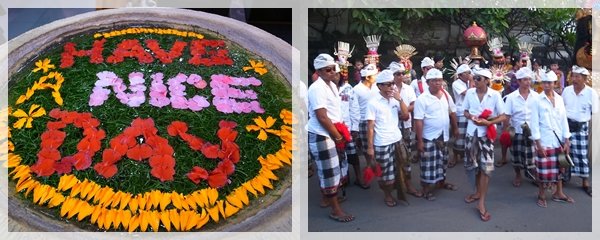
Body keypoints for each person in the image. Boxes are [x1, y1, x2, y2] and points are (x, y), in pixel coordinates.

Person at [307, 53, 354, 222]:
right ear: (318, 72)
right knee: (330, 172)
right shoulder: (317, 88)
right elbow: (322, 117)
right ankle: (335, 210)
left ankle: (328, 198)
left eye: (334, 68)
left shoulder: (332, 85)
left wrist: (339, 133)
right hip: (322, 134)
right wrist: (337, 137)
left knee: (336, 168)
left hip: (332, 132)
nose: (333, 72)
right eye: (328, 69)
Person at [462, 69, 506, 222]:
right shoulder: (470, 93)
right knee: (473, 166)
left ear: (487, 80)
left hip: (487, 134)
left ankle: (481, 203)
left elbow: (504, 115)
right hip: (471, 133)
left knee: (486, 168)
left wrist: (489, 122)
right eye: (474, 78)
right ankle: (477, 192)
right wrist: (471, 117)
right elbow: (465, 111)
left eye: (479, 78)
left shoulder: (495, 95)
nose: (475, 80)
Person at [529, 70, 574, 208]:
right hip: (544, 140)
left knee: (560, 167)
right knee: (543, 170)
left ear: (555, 83)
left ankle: (558, 193)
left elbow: (563, 120)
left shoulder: (559, 99)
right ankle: (541, 195)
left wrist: (567, 140)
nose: (547, 85)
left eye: (549, 83)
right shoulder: (537, 100)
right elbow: (534, 123)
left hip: (558, 139)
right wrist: (538, 144)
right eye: (544, 82)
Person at [365, 69, 409, 207]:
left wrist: (400, 99)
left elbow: (406, 114)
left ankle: (405, 190)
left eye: (392, 84)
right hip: (382, 142)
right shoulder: (373, 102)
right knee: (386, 173)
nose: (392, 87)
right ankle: (388, 195)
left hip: (397, 138)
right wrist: (370, 147)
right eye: (388, 84)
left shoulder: (395, 99)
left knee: (404, 167)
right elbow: (370, 127)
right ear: (380, 86)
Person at [414, 68, 459, 201]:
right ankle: (426, 189)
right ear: (428, 82)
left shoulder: (445, 94)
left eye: (439, 80)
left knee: (442, 160)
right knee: (428, 164)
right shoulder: (422, 99)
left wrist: (455, 128)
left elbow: (452, 111)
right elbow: (418, 121)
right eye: (434, 81)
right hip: (429, 137)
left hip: (443, 135)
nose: (437, 83)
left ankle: (441, 182)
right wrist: (420, 141)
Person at [562, 65, 598, 197]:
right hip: (567, 125)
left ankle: (585, 182)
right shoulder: (566, 90)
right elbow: (561, 108)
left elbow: (594, 112)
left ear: (584, 79)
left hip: (582, 127)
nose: (574, 79)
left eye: (578, 77)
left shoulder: (591, 93)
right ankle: (565, 177)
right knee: (565, 153)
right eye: (573, 76)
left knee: (582, 155)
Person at [389, 62, 422, 198]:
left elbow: (414, 104)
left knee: (406, 155)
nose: (401, 76)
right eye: (397, 74)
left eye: (403, 73)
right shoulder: (386, 89)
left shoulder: (408, 89)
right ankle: (392, 188)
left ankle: (408, 184)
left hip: (406, 125)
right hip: (391, 127)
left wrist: (405, 112)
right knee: (392, 158)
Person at [503, 67, 539, 188]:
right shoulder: (511, 97)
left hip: (532, 131)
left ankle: (534, 174)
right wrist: (506, 132)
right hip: (516, 130)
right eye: (524, 80)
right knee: (516, 154)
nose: (527, 82)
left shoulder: (536, 96)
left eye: (529, 79)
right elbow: (507, 116)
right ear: (518, 81)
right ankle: (518, 175)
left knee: (532, 155)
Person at [337, 60, 367, 189]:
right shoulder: (324, 89)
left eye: (337, 73)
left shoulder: (347, 88)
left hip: (348, 128)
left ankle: (359, 177)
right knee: (338, 156)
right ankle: (343, 177)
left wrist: (355, 127)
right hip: (333, 129)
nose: (335, 76)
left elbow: (354, 108)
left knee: (353, 154)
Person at [353, 63, 380, 181]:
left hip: (377, 119)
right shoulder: (356, 89)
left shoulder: (376, 87)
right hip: (364, 121)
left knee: (377, 143)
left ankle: (375, 164)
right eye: (374, 75)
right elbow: (354, 109)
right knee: (366, 146)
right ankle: (369, 165)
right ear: (368, 77)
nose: (376, 76)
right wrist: (356, 127)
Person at [450, 64, 474, 168]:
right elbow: (469, 94)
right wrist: (472, 81)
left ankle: (468, 156)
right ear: (460, 75)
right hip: (460, 112)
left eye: (470, 72)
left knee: (469, 136)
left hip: (470, 112)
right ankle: (455, 156)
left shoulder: (468, 82)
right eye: (467, 73)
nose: (470, 75)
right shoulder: (456, 83)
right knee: (459, 136)